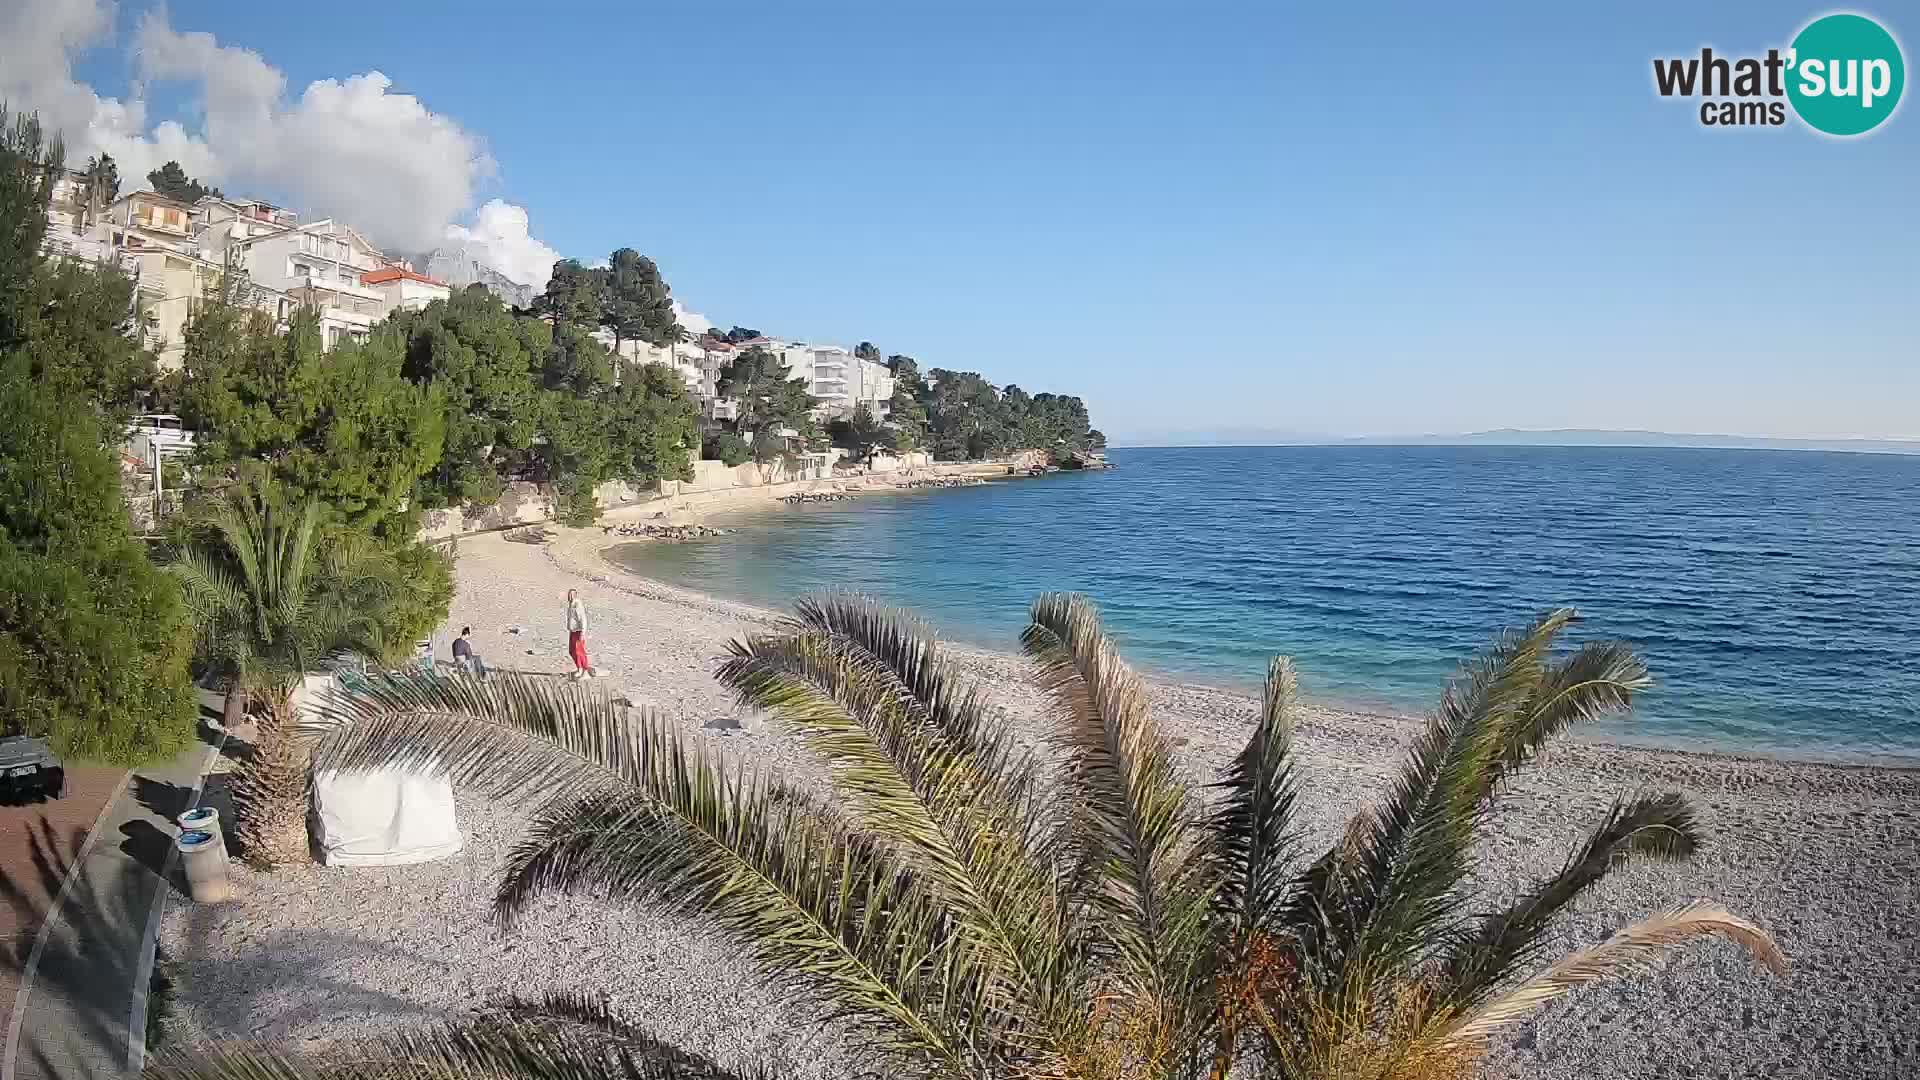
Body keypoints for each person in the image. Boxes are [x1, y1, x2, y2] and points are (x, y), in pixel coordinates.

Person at [566, 589, 591, 678]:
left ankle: (585, 670)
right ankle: (579, 668)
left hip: (579, 631)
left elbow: (583, 619)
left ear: (575, 595)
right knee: (572, 651)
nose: (570, 596)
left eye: (572, 595)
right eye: (569, 595)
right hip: (573, 631)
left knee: (579, 651)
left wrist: (582, 633)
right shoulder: (571, 605)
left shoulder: (577, 605)